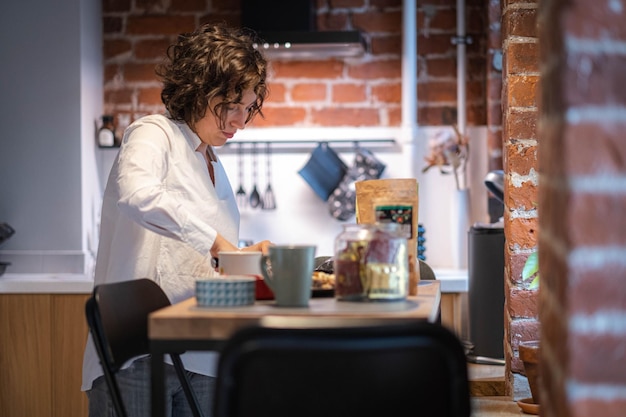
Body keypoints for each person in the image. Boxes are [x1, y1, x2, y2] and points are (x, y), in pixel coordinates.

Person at [82, 23, 272, 417]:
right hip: (140, 355)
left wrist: (242, 255)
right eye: (230, 104)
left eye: (247, 108)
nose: (238, 121)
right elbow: (139, 195)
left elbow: (196, 256)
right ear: (200, 89)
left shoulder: (211, 161)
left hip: (203, 354)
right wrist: (218, 243)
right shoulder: (154, 134)